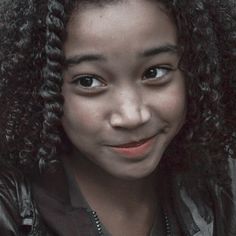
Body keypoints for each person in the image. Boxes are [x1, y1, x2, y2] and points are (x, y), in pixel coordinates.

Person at [0, 0, 235, 235]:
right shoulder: (11, 206)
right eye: (88, 81)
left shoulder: (218, 186)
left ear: (197, 68)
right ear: (41, 87)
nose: (131, 116)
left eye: (154, 72)